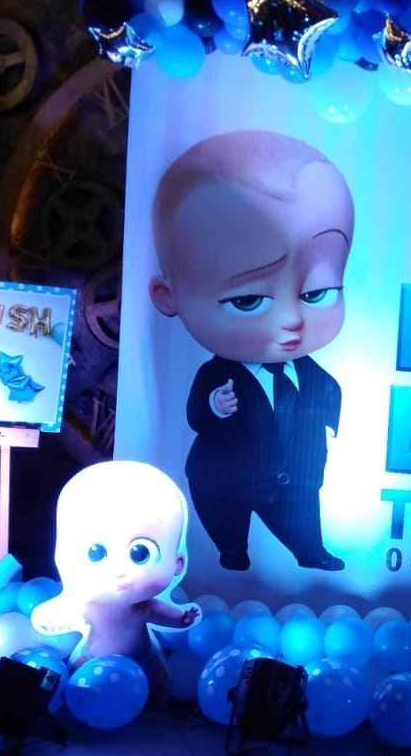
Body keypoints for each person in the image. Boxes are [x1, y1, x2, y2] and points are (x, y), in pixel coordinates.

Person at [148, 129, 354, 572]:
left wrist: (331, 419)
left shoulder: (308, 372)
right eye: (247, 300)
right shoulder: (217, 377)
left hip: (297, 476)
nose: (290, 319)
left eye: (316, 293)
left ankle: (311, 552)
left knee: (303, 520)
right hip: (226, 480)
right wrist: (214, 406)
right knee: (226, 524)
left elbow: (326, 388)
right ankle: (232, 549)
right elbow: (196, 415)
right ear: (169, 297)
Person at [29, 460, 202, 697]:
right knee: (79, 684)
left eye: (140, 553)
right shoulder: (89, 606)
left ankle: (153, 704)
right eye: (96, 553)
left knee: (159, 681)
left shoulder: (145, 607)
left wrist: (183, 618)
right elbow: (67, 617)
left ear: (177, 562)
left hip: (143, 657)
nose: (119, 570)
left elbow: (167, 616)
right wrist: (53, 622)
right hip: (93, 658)